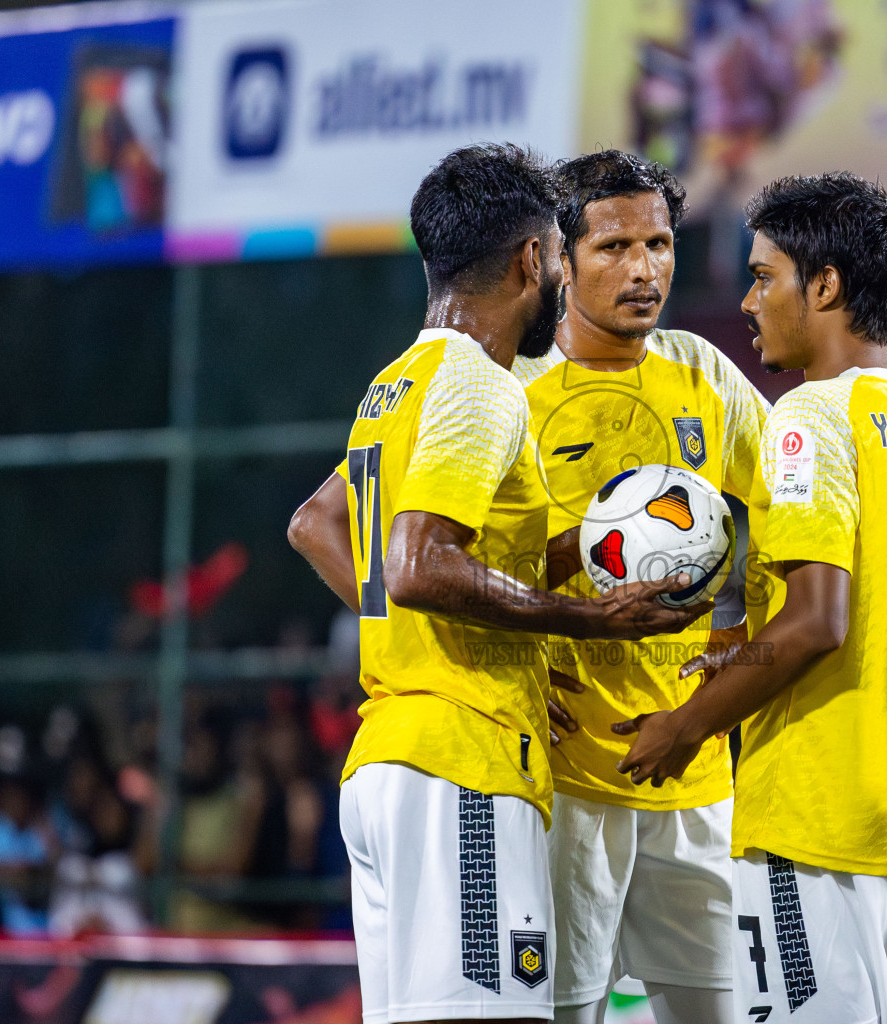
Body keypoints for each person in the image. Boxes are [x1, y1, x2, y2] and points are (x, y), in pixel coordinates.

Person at [287, 143, 703, 1024]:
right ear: (532, 261)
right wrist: (588, 621)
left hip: (389, 762)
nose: (562, 271)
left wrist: (477, 620)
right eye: (562, 252)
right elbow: (421, 563)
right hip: (464, 767)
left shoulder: (397, 384)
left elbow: (318, 525)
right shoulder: (483, 385)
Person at [616, 172, 887, 1022]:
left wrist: (684, 728)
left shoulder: (806, 419)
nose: (747, 299)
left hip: (813, 811)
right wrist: (744, 647)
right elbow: (871, 615)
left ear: (826, 285)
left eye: (764, 275)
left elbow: (817, 621)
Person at [513, 150, 769, 1024]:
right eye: (615, 246)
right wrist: (508, 662)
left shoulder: (703, 372)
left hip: (695, 774)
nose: (644, 268)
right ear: (558, 258)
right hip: (566, 778)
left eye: (659, 244)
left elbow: (778, 514)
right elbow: (435, 560)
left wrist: (739, 631)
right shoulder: (512, 391)